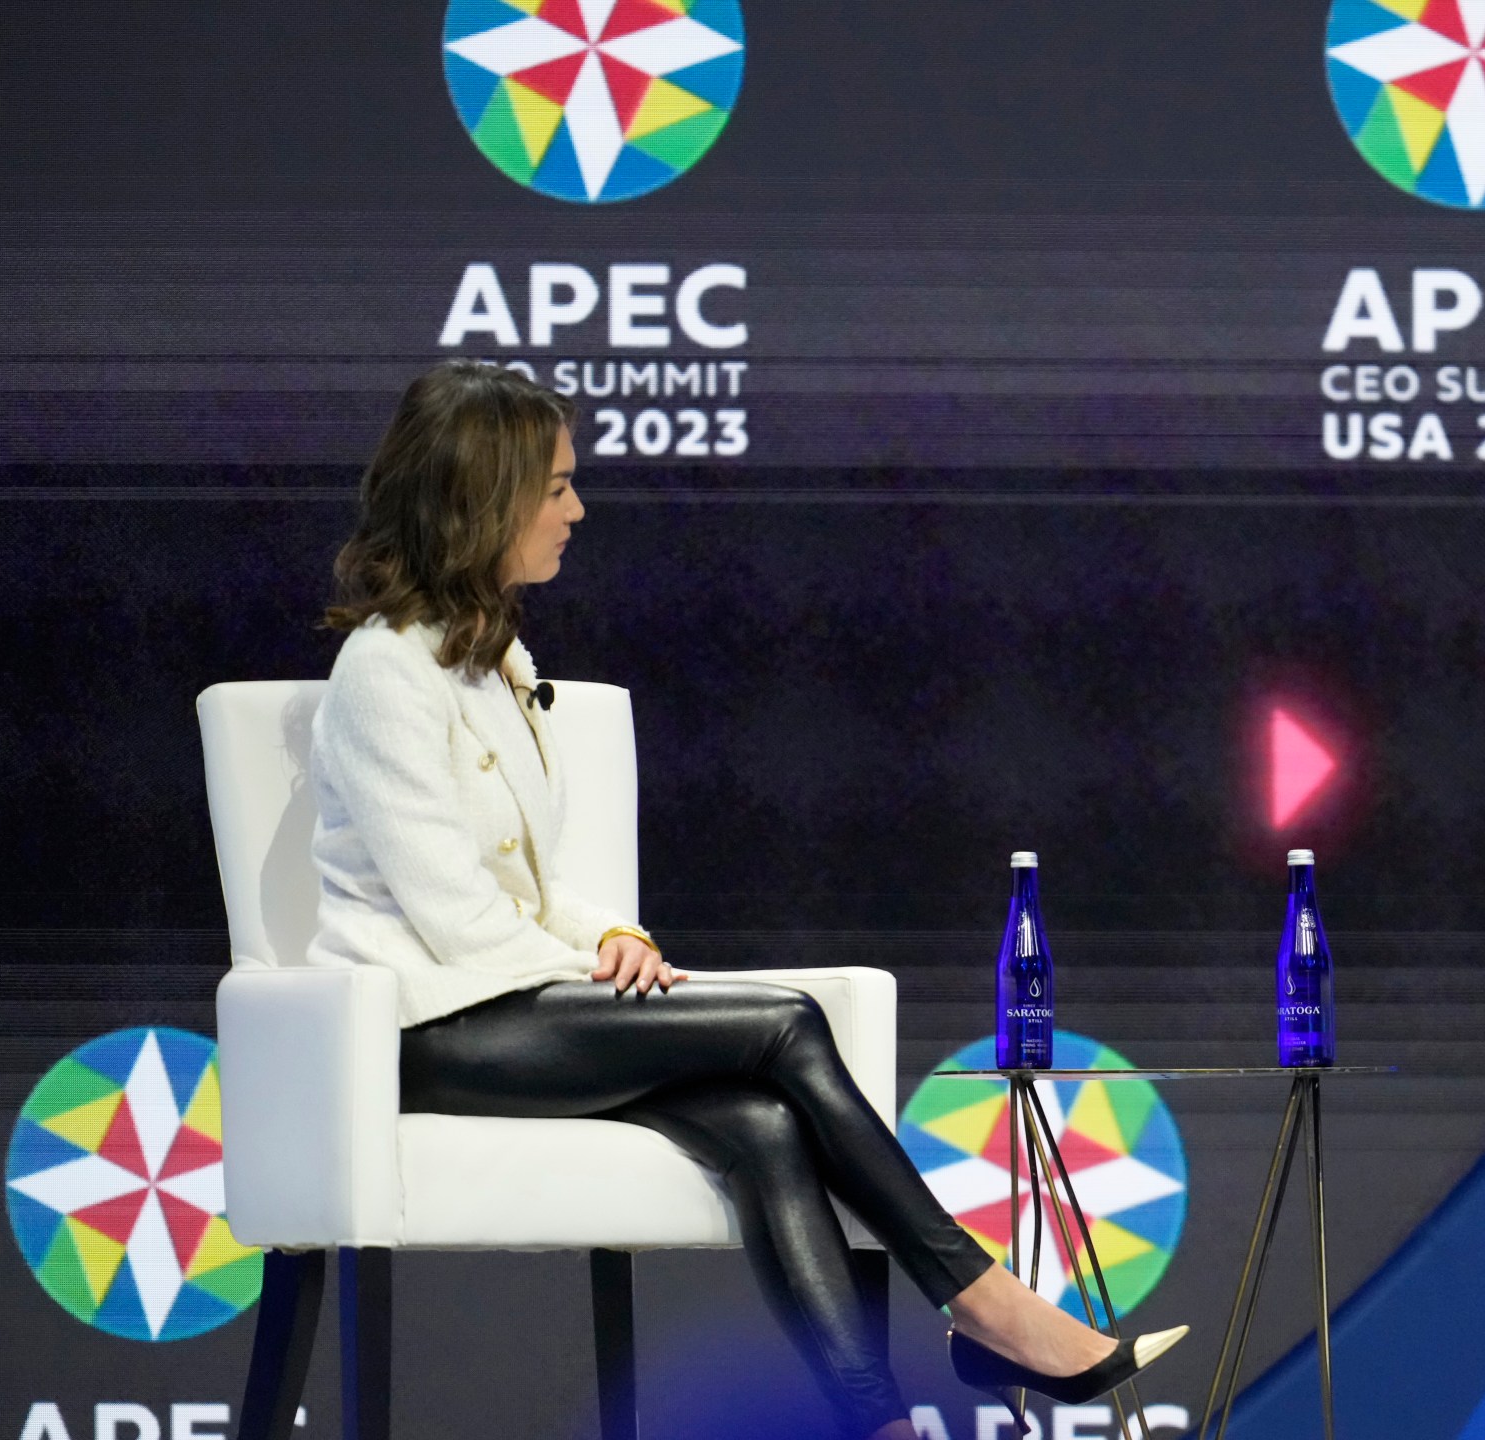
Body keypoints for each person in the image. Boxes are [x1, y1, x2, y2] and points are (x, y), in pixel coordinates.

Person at [306, 359, 1184, 1440]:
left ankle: (880, 1425)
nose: (578, 511)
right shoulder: (382, 672)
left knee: (765, 1129)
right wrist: (598, 970)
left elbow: (525, 891)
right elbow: (457, 920)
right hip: (425, 1027)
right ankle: (990, 1307)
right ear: (482, 497)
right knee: (784, 1023)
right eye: (556, 488)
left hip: (508, 1002)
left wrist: (615, 937)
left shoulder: (491, 657)